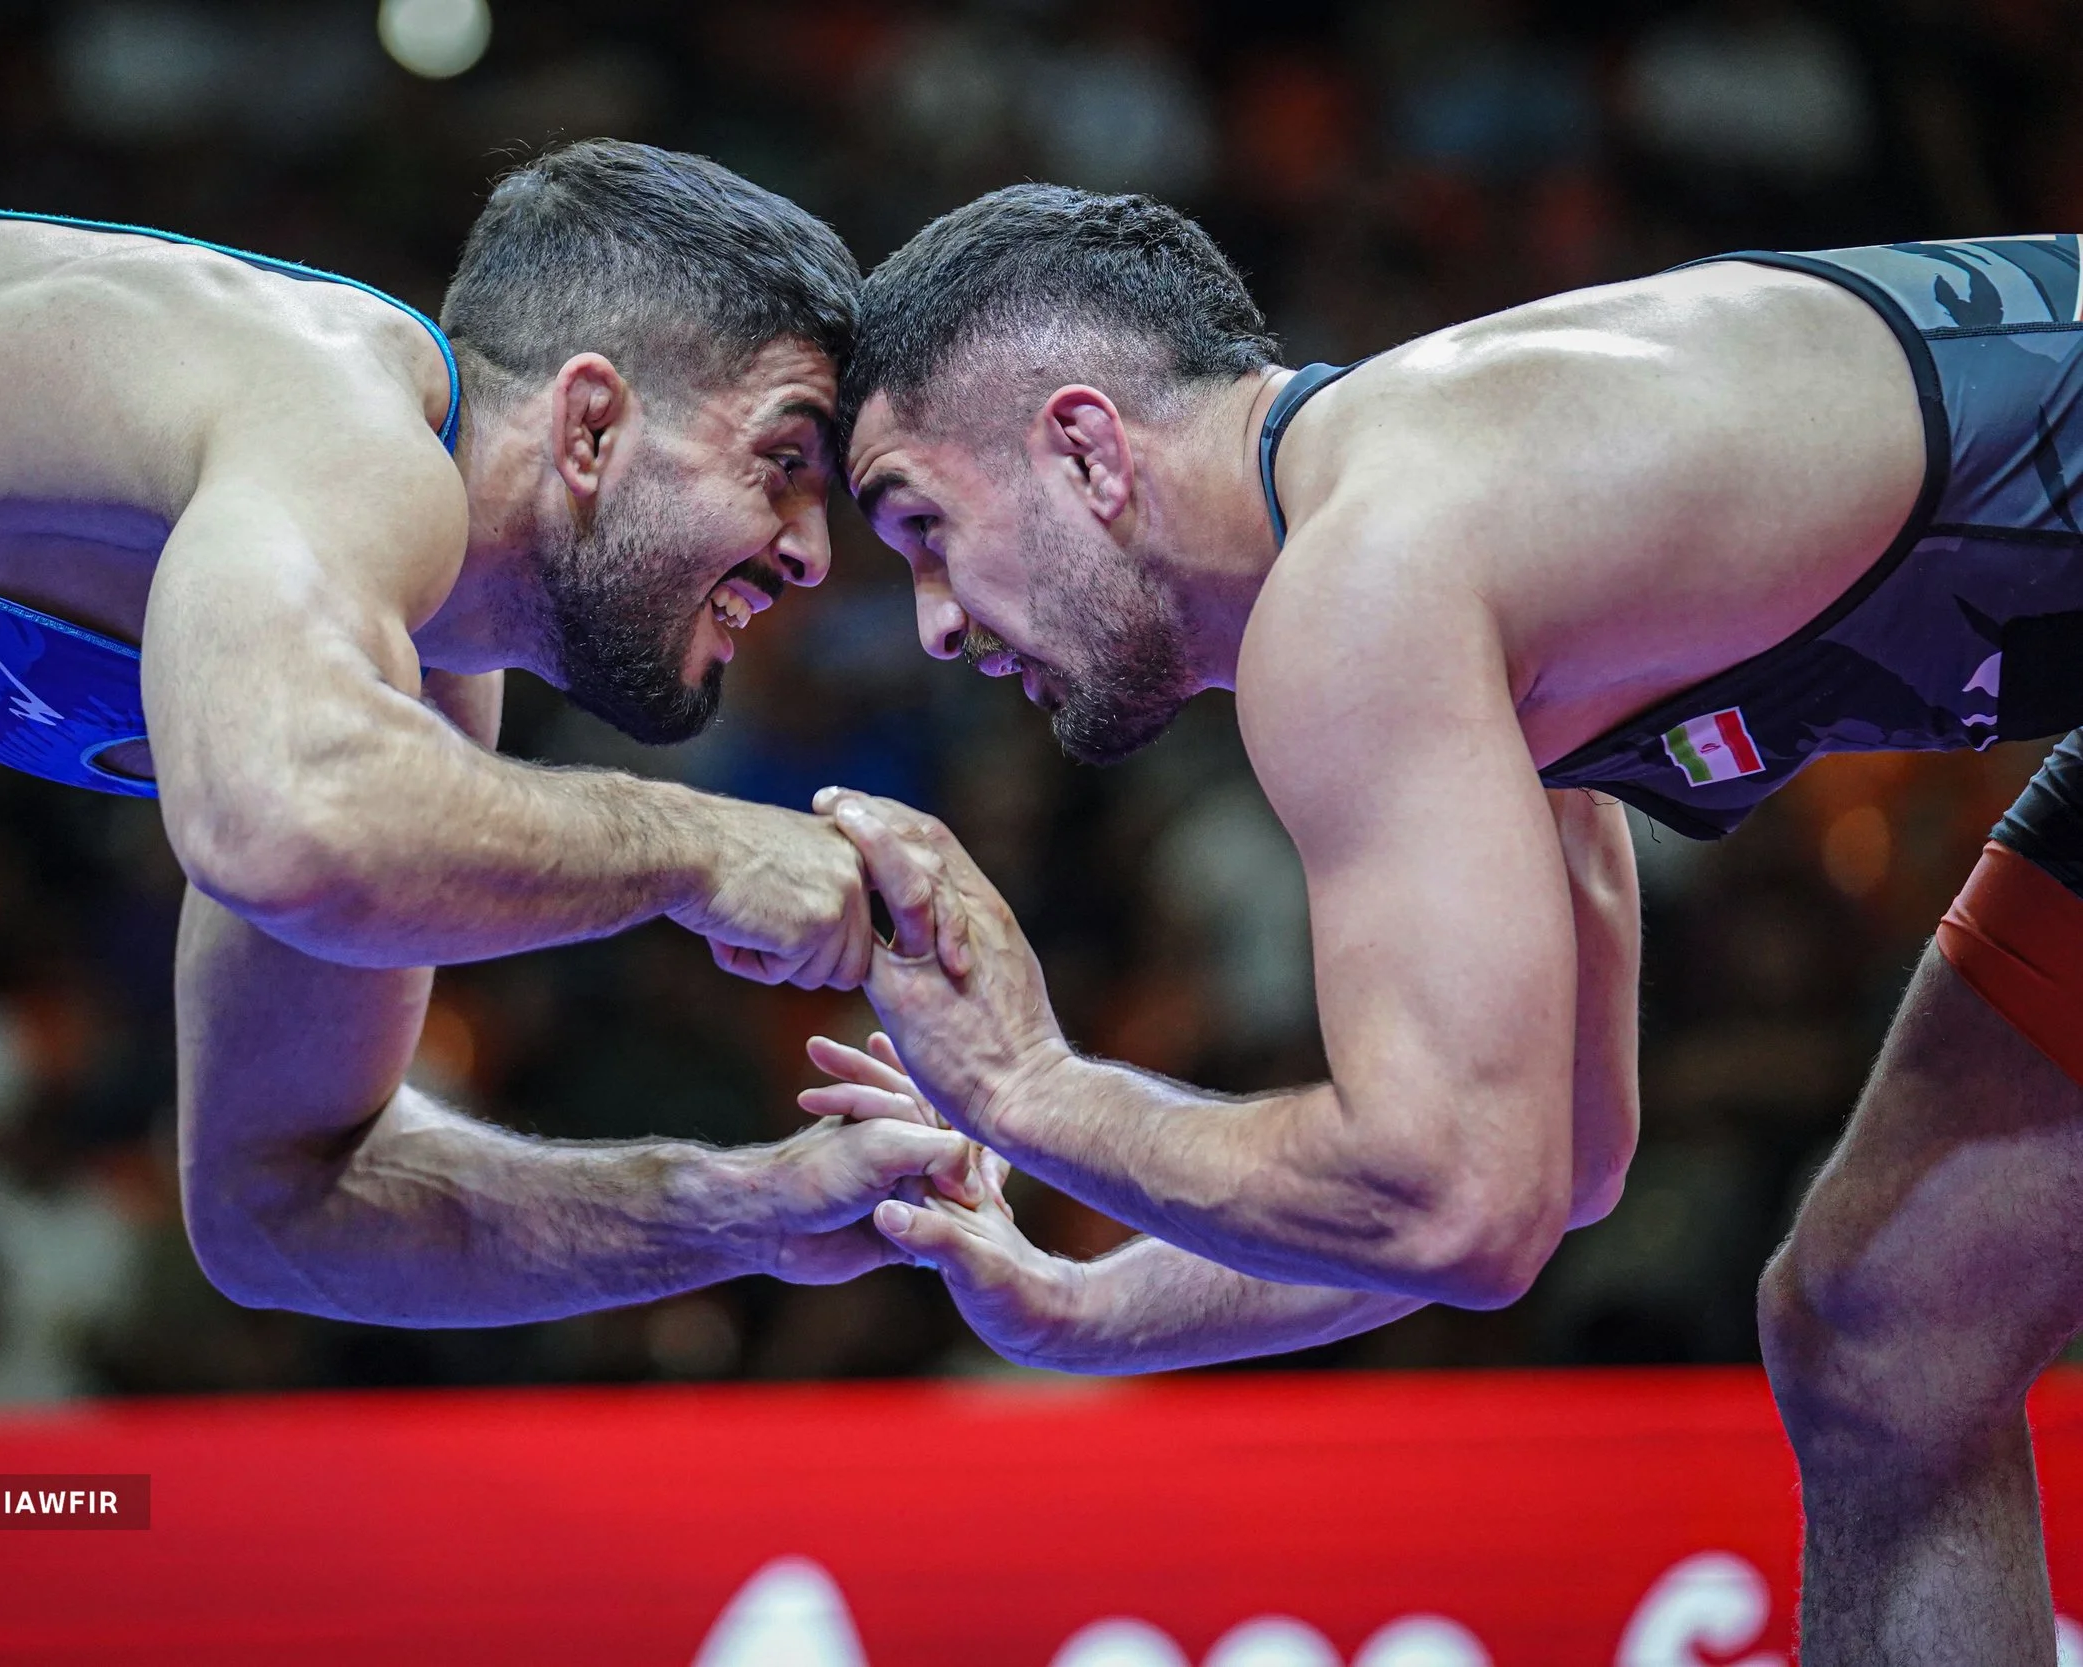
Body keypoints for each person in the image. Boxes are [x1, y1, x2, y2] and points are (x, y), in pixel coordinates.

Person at [0, 142, 989, 1666]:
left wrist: (748, 1210)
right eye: (784, 459)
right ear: (591, 422)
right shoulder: (332, 408)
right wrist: (700, 848)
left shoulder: (413, 692)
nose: (810, 553)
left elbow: (284, 1200)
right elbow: (283, 820)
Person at [809, 184, 2083, 1665]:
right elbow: (1557, 1161)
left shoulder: (1370, 578)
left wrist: (1033, 1090)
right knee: (1880, 1340)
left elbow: (1456, 1202)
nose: (933, 623)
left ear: (1086, 449)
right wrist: (1084, 1306)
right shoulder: (1436, 536)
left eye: (924, 528)